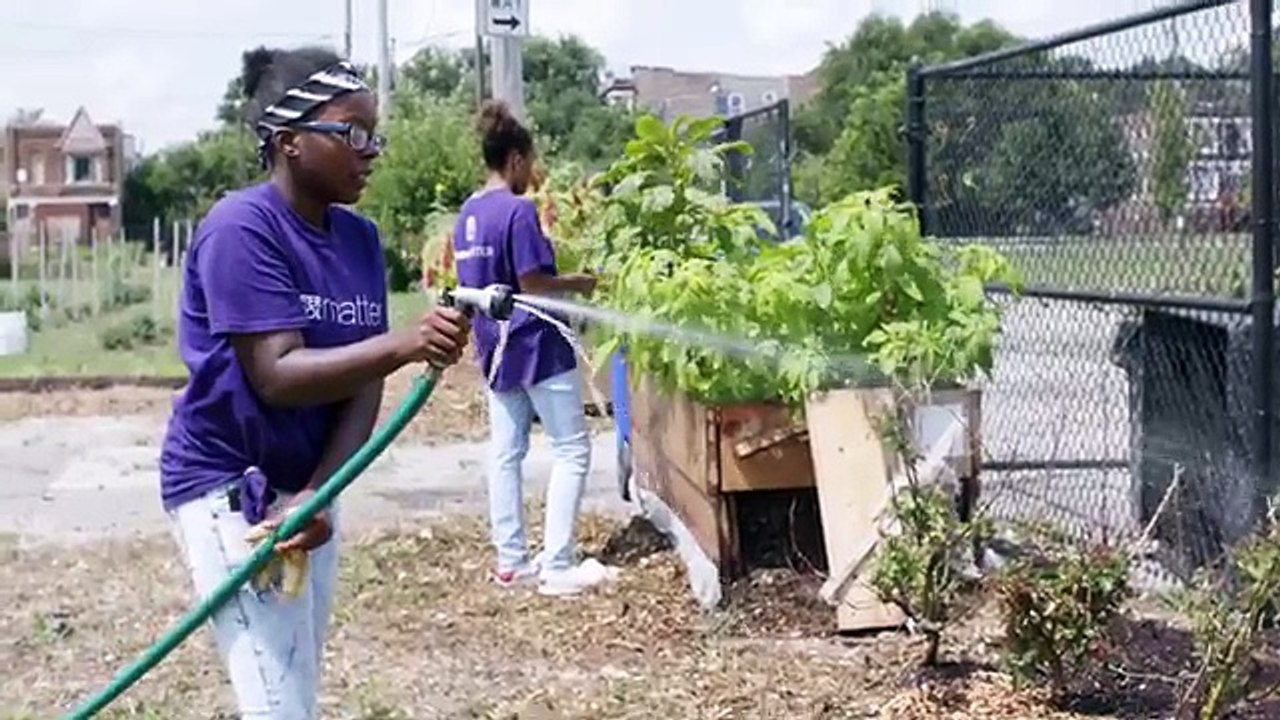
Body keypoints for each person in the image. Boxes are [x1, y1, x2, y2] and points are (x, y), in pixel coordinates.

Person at [159, 46, 471, 719]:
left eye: (374, 134)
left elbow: (365, 380)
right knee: (278, 702)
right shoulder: (241, 229)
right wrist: (405, 342)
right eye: (352, 133)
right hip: (229, 491)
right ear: (289, 141)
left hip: (303, 492)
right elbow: (275, 374)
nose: (371, 149)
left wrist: (319, 493)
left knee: (294, 687)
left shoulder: (358, 239)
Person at [453, 100, 611, 597]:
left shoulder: (468, 214)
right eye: (531, 161)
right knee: (572, 449)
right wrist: (581, 284)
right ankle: (559, 565)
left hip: (495, 348)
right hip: (536, 343)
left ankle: (512, 560)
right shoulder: (518, 211)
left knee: (505, 453)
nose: (533, 172)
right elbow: (534, 282)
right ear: (516, 159)